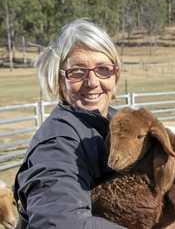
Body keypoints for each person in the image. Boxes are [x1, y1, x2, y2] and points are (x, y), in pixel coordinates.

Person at [14, 19, 125, 228]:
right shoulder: (57, 143)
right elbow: (59, 222)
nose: (92, 82)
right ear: (59, 80)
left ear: (115, 74)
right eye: (77, 72)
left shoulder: (117, 123)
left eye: (103, 69)